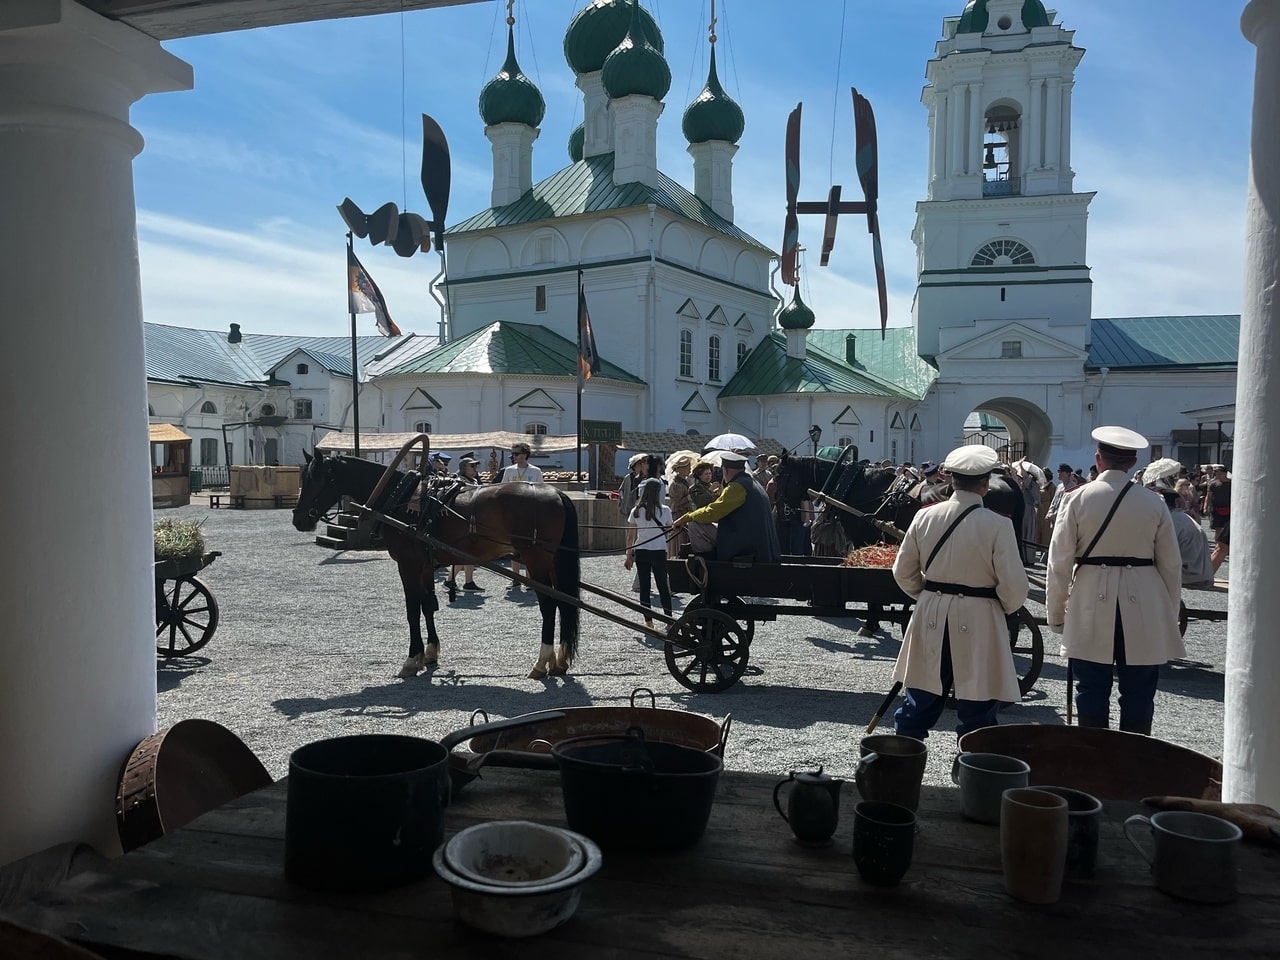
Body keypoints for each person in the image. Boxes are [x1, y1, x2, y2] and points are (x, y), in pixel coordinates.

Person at [1045, 426, 1183, 735]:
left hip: (1092, 593)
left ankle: (1095, 758)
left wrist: (1056, 615)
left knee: (1091, 687)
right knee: (1139, 690)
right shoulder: (1154, 503)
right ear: (1133, 463)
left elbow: (1059, 563)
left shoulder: (1076, 499)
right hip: (1144, 599)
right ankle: (1133, 759)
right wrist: (1168, 615)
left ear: (1098, 459)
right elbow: (1172, 566)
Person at [889, 445, 1029, 741]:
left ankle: (901, 769)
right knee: (979, 706)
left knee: (920, 698)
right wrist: (999, 607)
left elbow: (902, 572)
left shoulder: (924, 517)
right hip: (980, 615)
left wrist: (928, 596)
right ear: (986, 483)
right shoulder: (998, 525)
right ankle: (973, 774)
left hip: (932, 612)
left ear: (951, 480)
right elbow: (1014, 588)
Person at [672, 453, 780, 563]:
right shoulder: (753, 483)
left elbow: (713, 512)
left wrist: (687, 517)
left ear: (726, 470)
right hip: (757, 539)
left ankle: (707, 565)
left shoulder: (737, 486)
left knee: (694, 526)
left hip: (746, 542)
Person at [625, 478, 673, 628]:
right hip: (658, 551)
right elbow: (670, 531)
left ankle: (648, 621)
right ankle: (668, 619)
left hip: (642, 550)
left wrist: (628, 556)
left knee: (645, 587)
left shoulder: (636, 511)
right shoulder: (665, 510)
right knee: (662, 586)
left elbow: (631, 536)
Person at [499, 442, 543, 584]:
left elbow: (542, 491)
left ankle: (530, 579)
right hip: (512, 514)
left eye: (516, 454)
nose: (513, 456)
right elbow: (502, 488)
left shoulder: (535, 471)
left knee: (530, 547)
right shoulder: (509, 471)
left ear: (524, 455)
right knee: (514, 547)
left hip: (530, 514)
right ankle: (515, 578)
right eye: (512, 454)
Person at [1154, 485, 1213, 586]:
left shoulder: (1171, 522)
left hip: (1188, 575)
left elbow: (1163, 554)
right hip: (1202, 573)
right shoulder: (1181, 517)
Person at [448, 457, 484, 592]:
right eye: (472, 466)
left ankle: (462, 581)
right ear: (464, 468)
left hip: (471, 519)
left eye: (475, 467)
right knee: (467, 551)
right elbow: (463, 491)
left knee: (468, 552)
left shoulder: (475, 480)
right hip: (460, 520)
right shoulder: (459, 480)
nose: (475, 469)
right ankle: (459, 581)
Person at [665, 453, 695, 558]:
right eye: (687, 467)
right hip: (678, 513)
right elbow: (676, 501)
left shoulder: (686, 481)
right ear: (680, 468)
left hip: (686, 513)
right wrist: (688, 498)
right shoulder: (675, 483)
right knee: (679, 538)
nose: (690, 470)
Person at [1206, 464, 1231, 575]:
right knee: (1217, 528)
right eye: (1216, 473)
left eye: (1219, 473)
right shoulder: (1213, 484)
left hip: (1229, 509)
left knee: (1226, 528)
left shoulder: (1231, 484)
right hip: (1216, 509)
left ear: (1225, 473)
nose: (1217, 475)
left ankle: (1222, 545)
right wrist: (1206, 505)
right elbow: (1209, 495)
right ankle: (1217, 544)